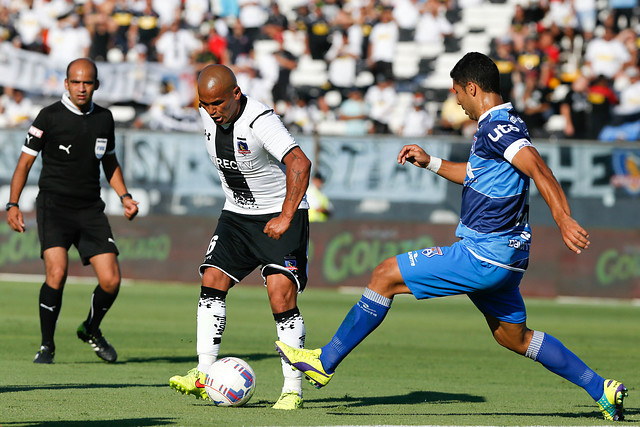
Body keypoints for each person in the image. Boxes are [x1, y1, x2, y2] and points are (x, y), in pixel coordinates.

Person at [275, 52, 628, 422]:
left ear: (472, 88)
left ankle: (324, 361)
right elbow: (476, 174)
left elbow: (537, 167)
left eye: (458, 93)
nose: (457, 102)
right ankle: (600, 387)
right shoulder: (502, 124)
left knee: (384, 275)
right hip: (506, 258)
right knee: (514, 337)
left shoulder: (497, 128)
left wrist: (563, 218)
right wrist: (431, 163)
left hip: (483, 254)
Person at [169, 64, 312, 410]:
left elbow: (300, 164)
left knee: (281, 294)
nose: (212, 111)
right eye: (205, 104)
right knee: (212, 277)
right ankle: (204, 373)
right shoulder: (207, 113)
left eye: (217, 103)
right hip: (236, 214)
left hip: (280, 215)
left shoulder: (261, 120)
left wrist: (286, 216)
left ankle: (292, 388)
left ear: (236, 94)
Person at [6, 58, 139, 364]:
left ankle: (91, 328)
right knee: (57, 271)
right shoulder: (49, 116)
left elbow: (109, 161)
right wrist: (13, 204)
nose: (81, 88)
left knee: (111, 280)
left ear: (96, 85)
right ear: (66, 84)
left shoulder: (104, 118)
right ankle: (47, 346)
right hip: (54, 206)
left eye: (87, 82)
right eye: (75, 82)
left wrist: (125, 196)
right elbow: (24, 163)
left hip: (90, 209)